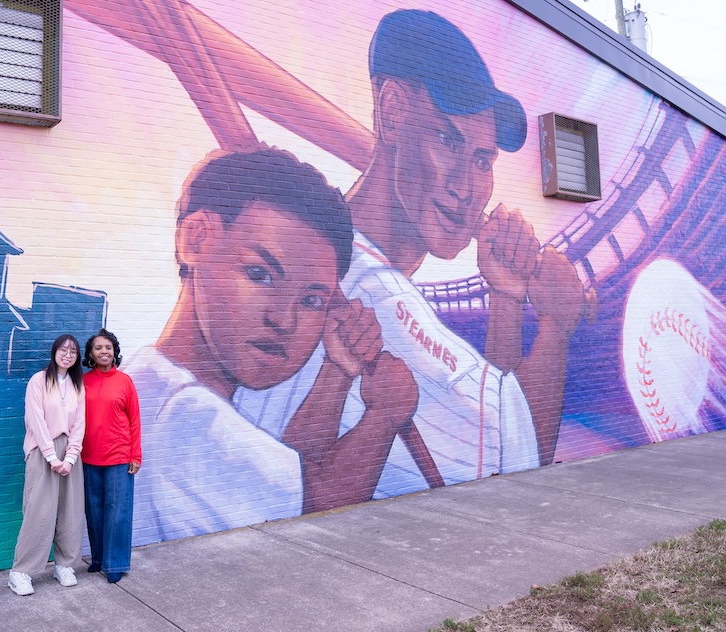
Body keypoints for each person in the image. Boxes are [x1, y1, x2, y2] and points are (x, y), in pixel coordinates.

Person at [235, 10, 590, 496]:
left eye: (482, 160)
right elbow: (519, 456)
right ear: (393, 110)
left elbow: (493, 404)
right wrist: (557, 326)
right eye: (447, 140)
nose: (467, 188)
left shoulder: (365, 275)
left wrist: (505, 298)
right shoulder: (356, 287)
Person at [124, 148, 418, 547]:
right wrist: (384, 415)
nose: (284, 319)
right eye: (260, 274)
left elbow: (291, 472)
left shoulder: (146, 383)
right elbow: (317, 507)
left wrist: (337, 370)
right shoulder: (185, 414)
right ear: (195, 239)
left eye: (312, 300)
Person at [7, 334, 86, 596]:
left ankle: (64, 565)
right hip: (43, 451)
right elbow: (35, 420)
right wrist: (52, 457)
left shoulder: (77, 385)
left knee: (70, 511)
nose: (67, 355)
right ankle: (21, 572)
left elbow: (79, 424)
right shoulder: (39, 381)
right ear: (54, 352)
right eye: (63, 350)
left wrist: (71, 456)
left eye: (73, 352)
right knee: (39, 511)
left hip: (70, 456)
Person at [82, 328, 141, 583]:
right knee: (94, 510)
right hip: (88, 457)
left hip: (118, 457)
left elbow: (135, 420)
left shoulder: (125, 381)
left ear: (114, 352)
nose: (103, 351)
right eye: (98, 348)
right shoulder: (83, 381)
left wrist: (135, 455)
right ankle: (98, 558)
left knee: (117, 511)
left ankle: (115, 563)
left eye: (108, 347)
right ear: (91, 354)